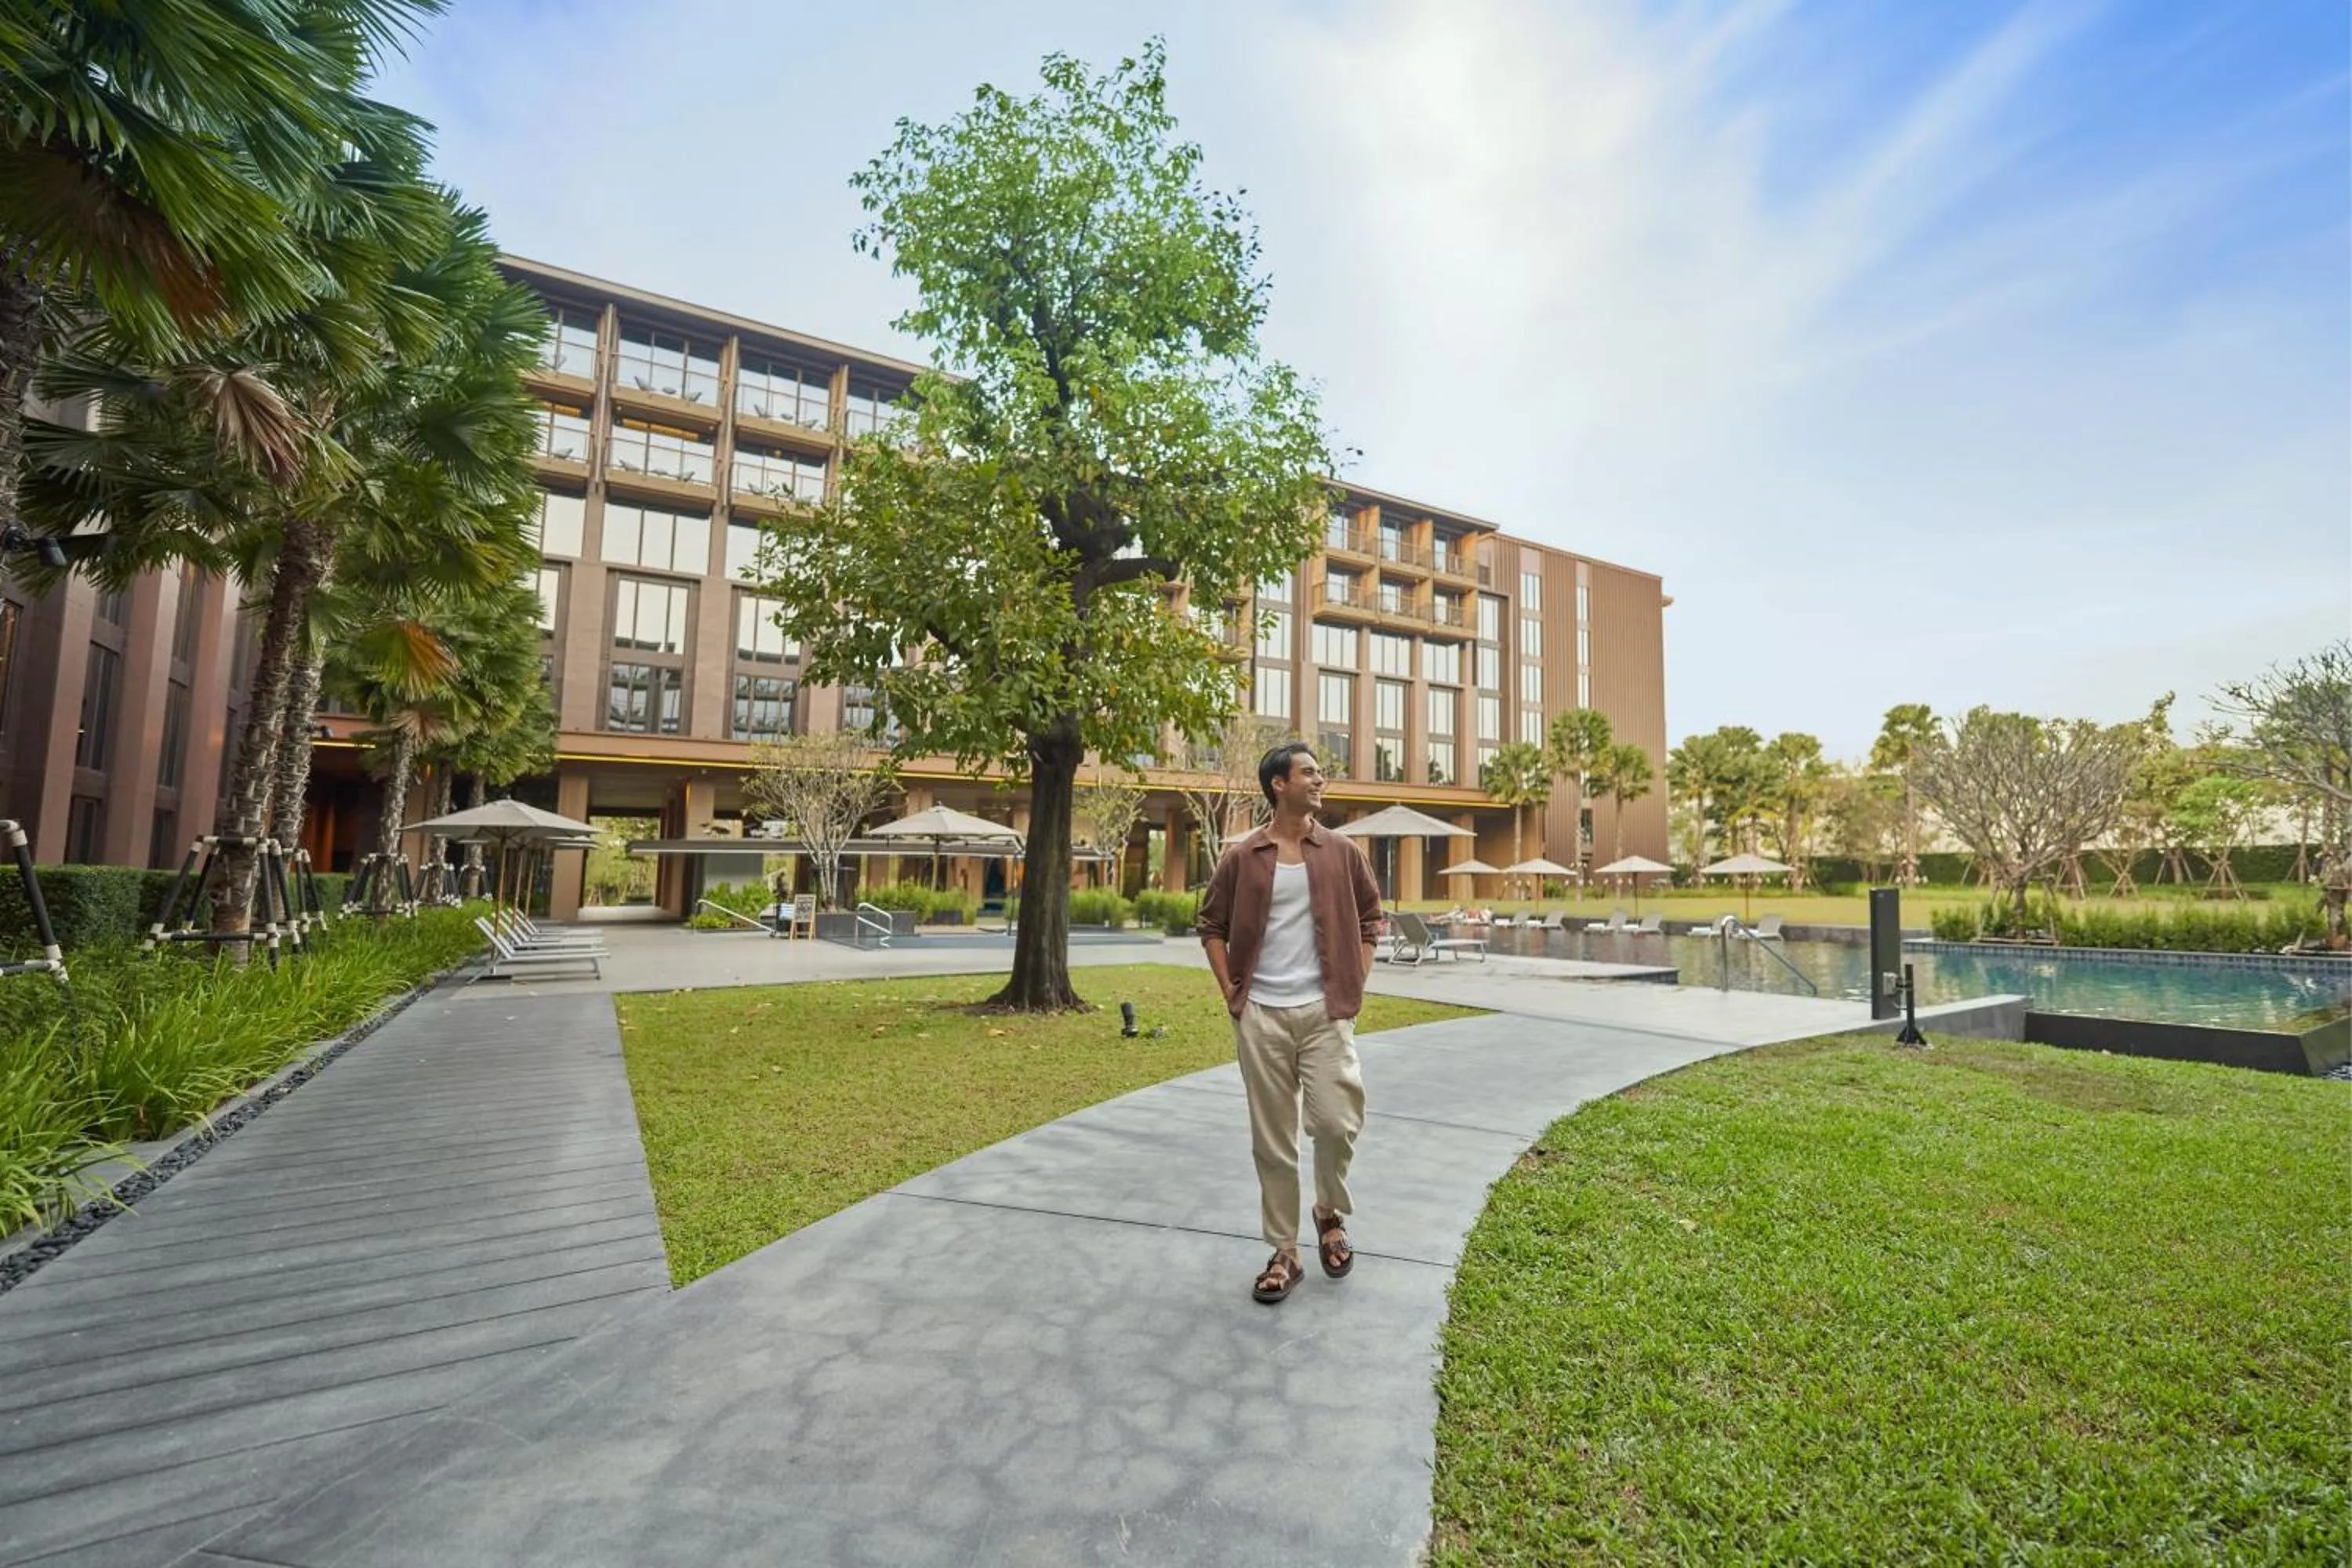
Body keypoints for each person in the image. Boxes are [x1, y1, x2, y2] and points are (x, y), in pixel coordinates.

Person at [1196, 742, 1385, 1305]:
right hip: (1262, 1015)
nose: (1320, 779)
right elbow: (1211, 923)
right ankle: (1285, 1250)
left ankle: (1328, 1210)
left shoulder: (1342, 851)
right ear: (1279, 784)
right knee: (1273, 1139)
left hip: (1327, 1012)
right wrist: (1231, 989)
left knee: (1336, 1123)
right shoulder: (1243, 855)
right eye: (1309, 772)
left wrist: (1357, 978)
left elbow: (1373, 917)